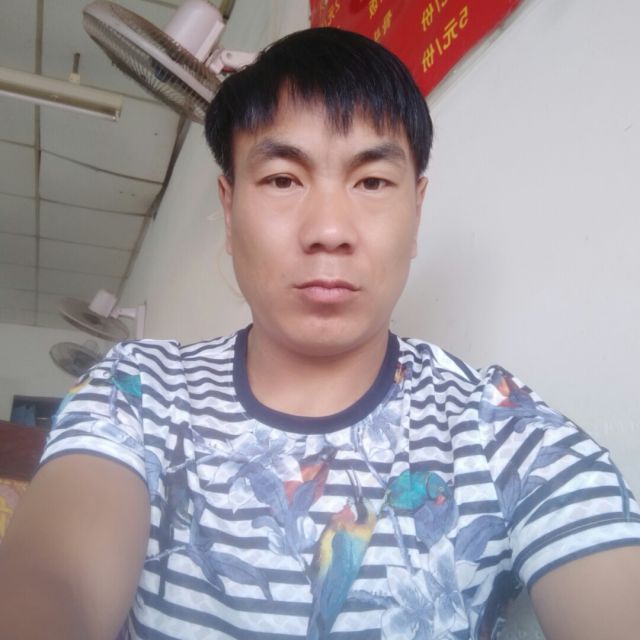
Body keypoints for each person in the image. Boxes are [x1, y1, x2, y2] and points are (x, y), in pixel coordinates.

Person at [1, 26, 639, 640]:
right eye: (283, 179)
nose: (329, 230)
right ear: (229, 209)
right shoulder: (137, 392)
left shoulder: (501, 429)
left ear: (417, 211)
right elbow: (55, 579)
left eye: (372, 181)